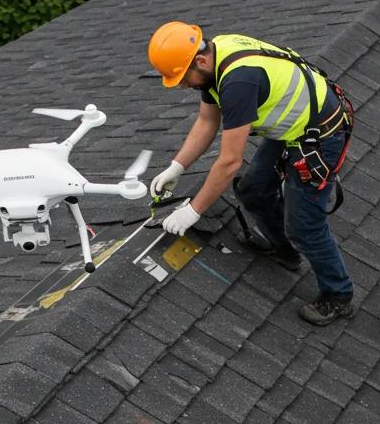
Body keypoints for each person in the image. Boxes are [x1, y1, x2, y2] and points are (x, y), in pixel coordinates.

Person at [146, 22, 355, 327]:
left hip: (320, 135)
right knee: (253, 190)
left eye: (182, 78)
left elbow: (230, 161)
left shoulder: (238, 81)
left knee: (305, 225)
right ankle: (285, 250)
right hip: (294, 124)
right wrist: (177, 166)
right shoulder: (214, 59)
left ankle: (338, 295)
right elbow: (207, 122)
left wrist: (193, 211)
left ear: (200, 61)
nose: (182, 86)